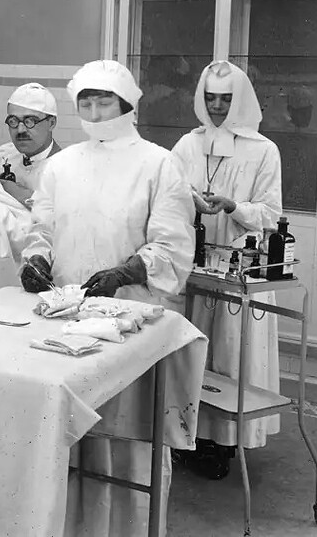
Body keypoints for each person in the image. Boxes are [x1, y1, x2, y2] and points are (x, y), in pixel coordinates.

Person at [21, 60, 194, 536]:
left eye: (105, 102)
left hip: (131, 316)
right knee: (71, 432)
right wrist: (36, 259)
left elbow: (173, 243)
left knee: (126, 433)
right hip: (70, 317)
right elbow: (42, 226)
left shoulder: (159, 163)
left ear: (127, 105)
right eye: (86, 103)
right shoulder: (61, 165)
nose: (95, 113)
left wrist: (128, 271)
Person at [171, 60, 282, 480]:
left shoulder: (263, 149)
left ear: (241, 101)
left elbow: (272, 214)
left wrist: (233, 206)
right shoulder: (187, 144)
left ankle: (225, 443)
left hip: (240, 269)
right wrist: (191, 201)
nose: (217, 107)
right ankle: (189, 437)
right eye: (210, 98)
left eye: (226, 99)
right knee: (195, 350)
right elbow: (167, 194)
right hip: (195, 265)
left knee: (232, 354)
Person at [0, 83, 62, 205]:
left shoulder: (67, 171)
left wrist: (26, 196)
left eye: (30, 121)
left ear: (51, 123)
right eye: (13, 121)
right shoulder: (0, 156)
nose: (20, 129)